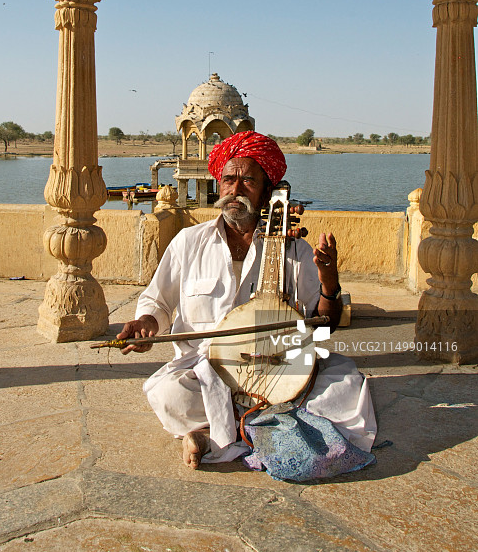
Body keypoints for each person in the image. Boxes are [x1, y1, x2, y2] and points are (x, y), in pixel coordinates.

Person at [118, 131, 376, 471]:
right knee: (167, 395)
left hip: (278, 367)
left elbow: (323, 326)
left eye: (247, 182)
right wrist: (147, 323)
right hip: (207, 368)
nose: (235, 190)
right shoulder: (188, 242)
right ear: (218, 185)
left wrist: (329, 281)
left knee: (347, 391)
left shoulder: (295, 250)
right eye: (228, 180)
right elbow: (158, 302)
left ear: (267, 191)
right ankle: (256, 426)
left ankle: (218, 433)